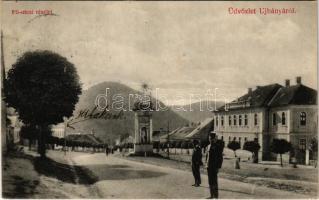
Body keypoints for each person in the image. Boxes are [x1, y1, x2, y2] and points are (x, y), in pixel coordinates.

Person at [205, 132, 224, 199]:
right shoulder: (208, 146)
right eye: (209, 138)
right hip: (208, 166)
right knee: (210, 181)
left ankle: (215, 196)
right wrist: (205, 163)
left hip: (214, 167)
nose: (210, 140)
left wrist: (218, 167)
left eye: (211, 139)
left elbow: (220, 158)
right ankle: (211, 195)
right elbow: (207, 156)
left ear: (214, 139)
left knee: (214, 182)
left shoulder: (217, 147)